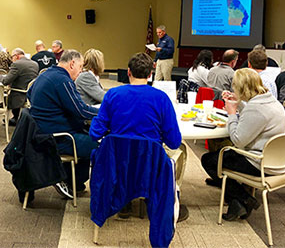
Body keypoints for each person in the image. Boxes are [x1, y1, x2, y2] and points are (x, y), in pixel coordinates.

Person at [89, 52, 188, 221]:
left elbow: (94, 133)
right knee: (180, 152)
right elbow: (174, 142)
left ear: (128, 72)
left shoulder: (112, 95)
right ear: (150, 74)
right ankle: (159, 201)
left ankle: (123, 200)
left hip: (117, 164)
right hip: (149, 165)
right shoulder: (162, 99)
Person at [201, 68, 285, 221]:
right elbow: (254, 119)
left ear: (241, 88)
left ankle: (245, 199)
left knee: (209, 160)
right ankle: (236, 203)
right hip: (279, 161)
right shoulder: (270, 101)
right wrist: (239, 102)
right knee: (221, 156)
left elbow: (238, 140)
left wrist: (232, 113)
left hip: (259, 163)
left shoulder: (256, 109)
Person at [28, 49, 99, 199]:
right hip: (58, 138)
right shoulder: (63, 80)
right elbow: (81, 111)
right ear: (72, 64)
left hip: (41, 132)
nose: (80, 72)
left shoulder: (45, 74)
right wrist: (105, 113)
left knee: (87, 135)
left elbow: (29, 95)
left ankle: (74, 183)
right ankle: (93, 190)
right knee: (99, 145)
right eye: (80, 67)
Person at [0, 48, 38, 126]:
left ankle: (14, 118)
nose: (11, 59)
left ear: (16, 56)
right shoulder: (35, 64)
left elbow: (5, 81)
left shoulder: (17, 64)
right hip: (30, 95)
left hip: (18, 95)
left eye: (12, 57)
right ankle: (15, 118)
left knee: (2, 97)